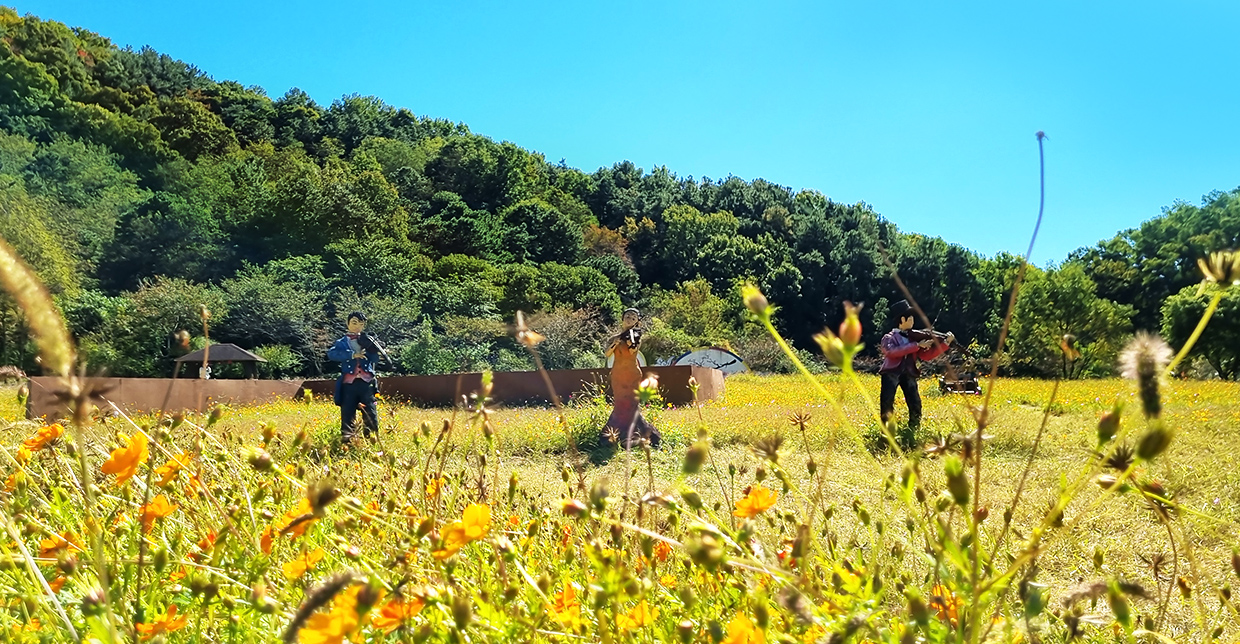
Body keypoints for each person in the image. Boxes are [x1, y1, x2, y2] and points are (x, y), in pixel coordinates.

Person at [879, 300, 954, 441]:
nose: (913, 321)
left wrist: (945, 344)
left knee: (915, 403)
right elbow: (891, 351)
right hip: (891, 372)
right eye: (910, 318)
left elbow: (926, 356)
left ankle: (913, 431)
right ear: (902, 319)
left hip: (909, 373)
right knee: (887, 402)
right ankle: (886, 434)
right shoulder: (889, 337)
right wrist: (916, 345)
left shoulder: (913, 337)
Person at [604, 308, 661, 449]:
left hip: (631, 374)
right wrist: (616, 342)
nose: (629, 319)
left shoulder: (636, 336)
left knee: (632, 404)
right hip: (617, 374)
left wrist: (630, 339)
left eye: (633, 318)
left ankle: (643, 434)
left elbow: (632, 351)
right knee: (619, 403)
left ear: (637, 322)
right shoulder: (614, 338)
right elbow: (607, 353)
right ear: (622, 319)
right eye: (627, 316)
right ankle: (619, 434)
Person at [328, 311, 380, 441]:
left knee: (370, 412)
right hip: (349, 383)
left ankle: (371, 439)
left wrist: (373, 349)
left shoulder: (367, 340)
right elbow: (332, 354)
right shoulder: (342, 342)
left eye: (361, 324)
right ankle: (348, 440)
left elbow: (374, 359)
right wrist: (352, 355)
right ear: (348, 323)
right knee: (348, 412)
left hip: (366, 382)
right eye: (354, 323)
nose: (357, 326)